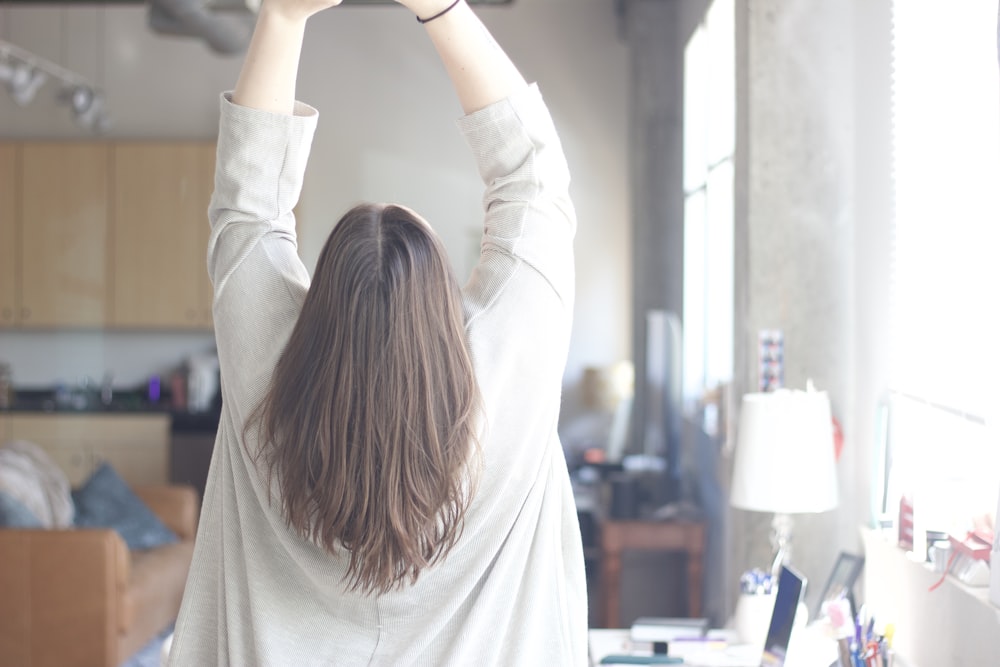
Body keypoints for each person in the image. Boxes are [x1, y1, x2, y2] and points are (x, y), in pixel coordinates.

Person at [166, 0, 586, 663]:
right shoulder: (509, 376)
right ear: (443, 311)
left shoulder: (264, 375)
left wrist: (281, 17)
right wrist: (440, 6)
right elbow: (533, 181)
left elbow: (246, 206)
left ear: (319, 309)